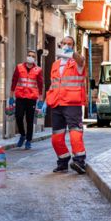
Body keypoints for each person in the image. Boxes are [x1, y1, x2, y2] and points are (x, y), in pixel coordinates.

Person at [42, 36, 87, 174]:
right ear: (60, 45)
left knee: (75, 133)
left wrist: (72, 54)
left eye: (70, 44)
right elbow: (53, 84)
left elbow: (81, 60)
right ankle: (63, 161)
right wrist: (45, 102)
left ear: (73, 47)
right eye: (65, 44)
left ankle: (79, 161)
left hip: (72, 103)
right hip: (56, 103)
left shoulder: (77, 62)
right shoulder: (55, 64)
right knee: (56, 138)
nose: (67, 46)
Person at [9, 50, 44, 150]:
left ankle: (28, 140)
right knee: (18, 116)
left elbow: (40, 84)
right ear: (26, 56)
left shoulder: (38, 70)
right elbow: (14, 81)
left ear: (35, 59)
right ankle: (22, 135)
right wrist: (11, 96)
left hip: (32, 98)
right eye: (29, 55)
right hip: (20, 97)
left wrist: (41, 98)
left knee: (29, 120)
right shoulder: (19, 67)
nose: (30, 57)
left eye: (32, 56)